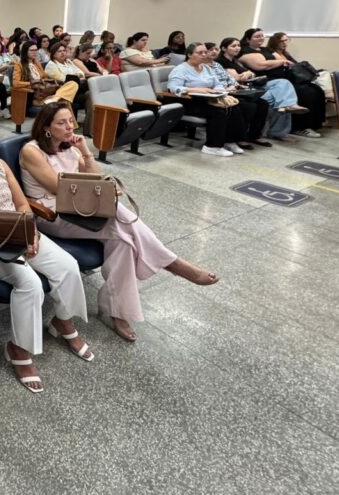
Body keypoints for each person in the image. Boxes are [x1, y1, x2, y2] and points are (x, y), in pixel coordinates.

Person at [19, 102, 219, 341]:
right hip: (50, 213)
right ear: (46, 127)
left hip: (78, 208)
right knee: (119, 215)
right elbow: (57, 188)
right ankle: (171, 263)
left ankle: (118, 311)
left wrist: (85, 152)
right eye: (62, 123)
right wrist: (99, 191)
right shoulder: (31, 151)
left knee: (123, 240)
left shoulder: (69, 148)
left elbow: (94, 177)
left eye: (71, 120)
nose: (70, 126)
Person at [0, 114, 91, 393]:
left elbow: (21, 203)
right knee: (30, 284)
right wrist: (13, 237)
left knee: (68, 265)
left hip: (21, 232)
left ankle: (62, 322)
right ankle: (18, 350)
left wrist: (30, 233)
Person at [167, 42, 249, 157]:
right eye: (200, 52)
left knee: (233, 107)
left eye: (205, 52)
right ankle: (212, 146)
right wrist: (199, 90)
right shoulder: (181, 69)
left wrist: (219, 91)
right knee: (218, 113)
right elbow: (173, 88)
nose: (204, 55)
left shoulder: (206, 68)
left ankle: (229, 141)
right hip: (188, 101)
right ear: (190, 54)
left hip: (208, 99)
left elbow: (217, 84)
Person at [239, 29, 325, 139]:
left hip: (281, 80)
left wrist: (279, 62)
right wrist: (279, 62)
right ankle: (300, 127)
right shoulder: (245, 51)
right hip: (266, 82)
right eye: (257, 36)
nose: (260, 38)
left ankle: (313, 124)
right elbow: (261, 65)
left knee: (315, 89)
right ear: (248, 39)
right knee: (303, 92)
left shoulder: (266, 49)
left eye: (262, 36)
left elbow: (287, 62)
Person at [217, 37, 302, 143]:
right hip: (237, 91)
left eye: (238, 45)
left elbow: (251, 74)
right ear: (224, 48)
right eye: (233, 46)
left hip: (249, 89)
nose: (237, 48)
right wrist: (248, 73)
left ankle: (257, 135)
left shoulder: (236, 61)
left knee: (273, 99)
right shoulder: (220, 62)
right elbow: (238, 78)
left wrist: (248, 73)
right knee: (265, 102)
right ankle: (242, 137)